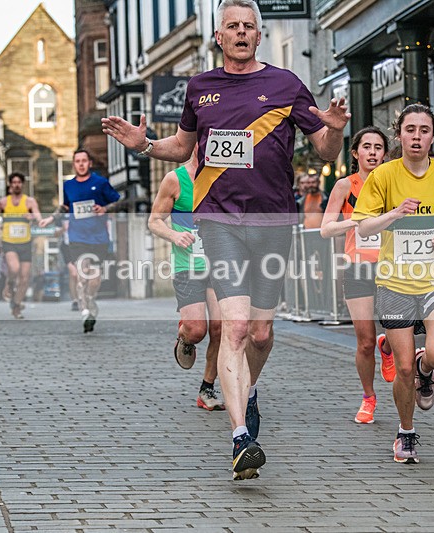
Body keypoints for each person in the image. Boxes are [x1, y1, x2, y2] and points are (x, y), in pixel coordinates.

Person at [102, 0, 348, 480]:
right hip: (218, 224)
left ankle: (247, 390)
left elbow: (324, 147)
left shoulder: (285, 85)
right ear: (219, 36)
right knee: (233, 329)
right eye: (232, 25)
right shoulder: (201, 88)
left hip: (273, 224)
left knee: (260, 333)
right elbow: (183, 147)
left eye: (249, 26)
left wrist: (336, 132)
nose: (241, 32)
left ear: (259, 36)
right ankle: (240, 438)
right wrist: (144, 144)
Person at [352, 104, 434, 464]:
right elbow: (363, 226)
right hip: (394, 284)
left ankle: (427, 368)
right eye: (410, 130)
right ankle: (406, 432)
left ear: (432, 136)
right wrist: (394, 213)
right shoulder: (383, 176)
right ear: (399, 134)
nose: (417, 136)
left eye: (424, 130)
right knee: (400, 368)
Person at [320, 126, 395, 424]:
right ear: (356, 153)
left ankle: (387, 346)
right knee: (364, 341)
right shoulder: (344, 186)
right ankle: (368, 398)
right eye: (367, 147)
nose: (373, 152)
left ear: (385, 154)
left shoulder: (393, 183)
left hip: (391, 266)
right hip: (358, 266)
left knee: (398, 328)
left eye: (378, 147)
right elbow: (326, 229)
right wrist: (356, 223)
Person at [148, 145, 225, 411]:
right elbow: (154, 220)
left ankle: (207, 388)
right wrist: (174, 235)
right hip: (187, 264)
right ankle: (185, 336)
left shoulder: (224, 176)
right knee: (198, 329)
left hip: (219, 265)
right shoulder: (175, 179)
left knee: (220, 328)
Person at [40, 149, 120, 333]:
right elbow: (65, 206)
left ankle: (91, 300)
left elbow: (117, 201)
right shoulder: (68, 185)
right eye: (77, 161)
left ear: (89, 163)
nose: (81, 164)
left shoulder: (100, 183)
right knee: (82, 275)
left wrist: (105, 208)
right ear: (74, 164)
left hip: (99, 238)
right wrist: (50, 219)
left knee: (95, 278)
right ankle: (85, 311)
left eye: (84, 160)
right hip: (77, 238)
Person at [0, 173, 44, 319]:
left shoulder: (29, 201)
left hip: (25, 242)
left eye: (19, 182)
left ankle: (16, 305)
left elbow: (38, 217)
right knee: (14, 268)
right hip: (9, 242)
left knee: (25, 278)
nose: (16, 185)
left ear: (22, 184)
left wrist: (32, 217)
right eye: (14, 182)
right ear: (9, 184)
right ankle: (8, 284)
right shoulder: (3, 202)